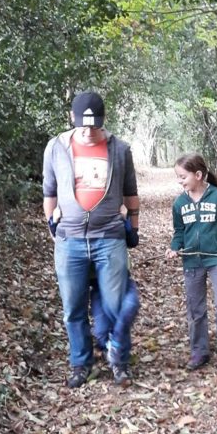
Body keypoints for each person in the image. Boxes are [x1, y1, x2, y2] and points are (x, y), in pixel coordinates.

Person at [43, 91, 140, 388]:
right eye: (82, 125)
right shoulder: (56, 147)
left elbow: (131, 193)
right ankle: (80, 363)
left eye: (94, 125)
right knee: (73, 308)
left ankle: (119, 361)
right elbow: (49, 191)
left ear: (103, 120)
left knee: (114, 304)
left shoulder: (119, 149)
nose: (88, 131)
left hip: (109, 237)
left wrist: (133, 229)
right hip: (69, 239)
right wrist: (53, 229)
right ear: (72, 118)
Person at [166, 153, 217, 370]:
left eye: (183, 177)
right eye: (178, 177)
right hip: (192, 262)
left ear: (198, 175)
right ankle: (199, 351)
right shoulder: (179, 203)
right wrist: (174, 248)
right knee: (195, 309)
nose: (180, 181)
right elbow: (179, 232)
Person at [90, 216, 140, 374]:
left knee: (129, 306)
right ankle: (111, 347)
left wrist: (125, 219)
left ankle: (118, 352)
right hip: (96, 285)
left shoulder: (113, 216)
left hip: (119, 278)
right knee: (101, 331)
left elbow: (133, 240)